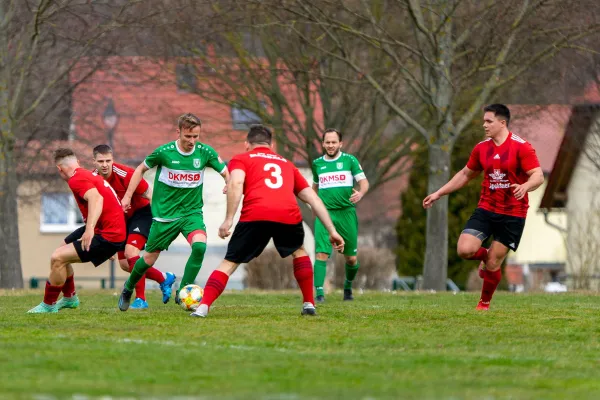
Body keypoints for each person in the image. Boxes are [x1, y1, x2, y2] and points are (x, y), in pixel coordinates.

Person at [190, 125, 345, 318]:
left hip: (255, 214)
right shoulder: (287, 164)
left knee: (230, 262)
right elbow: (313, 199)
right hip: (287, 214)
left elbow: (236, 182)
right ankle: (309, 304)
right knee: (299, 252)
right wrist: (332, 231)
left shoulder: (241, 159)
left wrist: (228, 220)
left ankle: (203, 307)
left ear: (247, 144)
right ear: (271, 145)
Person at [423, 104, 544, 310]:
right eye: (484, 121)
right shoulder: (481, 148)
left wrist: (524, 187)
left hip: (513, 213)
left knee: (493, 264)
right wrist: (438, 193)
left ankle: (483, 304)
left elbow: (538, 176)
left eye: (489, 121)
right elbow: (464, 174)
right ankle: (485, 255)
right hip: (486, 209)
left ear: (502, 123)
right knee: (465, 249)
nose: (484, 125)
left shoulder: (521, 147)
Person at [118, 113, 229, 311]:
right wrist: (127, 197)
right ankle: (128, 288)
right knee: (148, 259)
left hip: (191, 213)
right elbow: (139, 170)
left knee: (200, 247)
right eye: (188, 136)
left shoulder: (205, 153)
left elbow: (225, 171)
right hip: (164, 216)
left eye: (195, 136)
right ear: (178, 132)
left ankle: (184, 290)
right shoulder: (164, 152)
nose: (192, 141)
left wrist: (228, 183)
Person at [28, 148, 126, 313]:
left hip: (109, 234)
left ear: (59, 169)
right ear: (78, 163)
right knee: (61, 250)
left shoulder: (76, 179)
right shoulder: (85, 174)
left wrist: (90, 230)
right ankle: (69, 298)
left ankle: (49, 305)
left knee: (57, 258)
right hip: (108, 230)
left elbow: (96, 199)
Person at [89, 144, 176, 309]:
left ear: (113, 160)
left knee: (131, 253)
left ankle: (141, 299)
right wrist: (100, 237)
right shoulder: (91, 179)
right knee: (125, 264)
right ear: (94, 161)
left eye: (108, 160)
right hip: (120, 219)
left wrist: (161, 220)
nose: (105, 165)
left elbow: (150, 195)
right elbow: (93, 209)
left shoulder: (125, 174)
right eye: (101, 161)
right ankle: (164, 278)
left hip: (141, 214)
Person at [311, 129, 369, 303]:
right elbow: (314, 187)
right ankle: (319, 294)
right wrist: (313, 204)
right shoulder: (317, 164)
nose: (330, 145)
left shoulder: (349, 160)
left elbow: (364, 183)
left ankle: (347, 287)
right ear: (323, 144)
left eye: (333, 142)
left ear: (340, 144)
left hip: (346, 214)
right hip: (325, 214)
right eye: (327, 142)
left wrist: (360, 193)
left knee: (351, 259)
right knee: (321, 253)